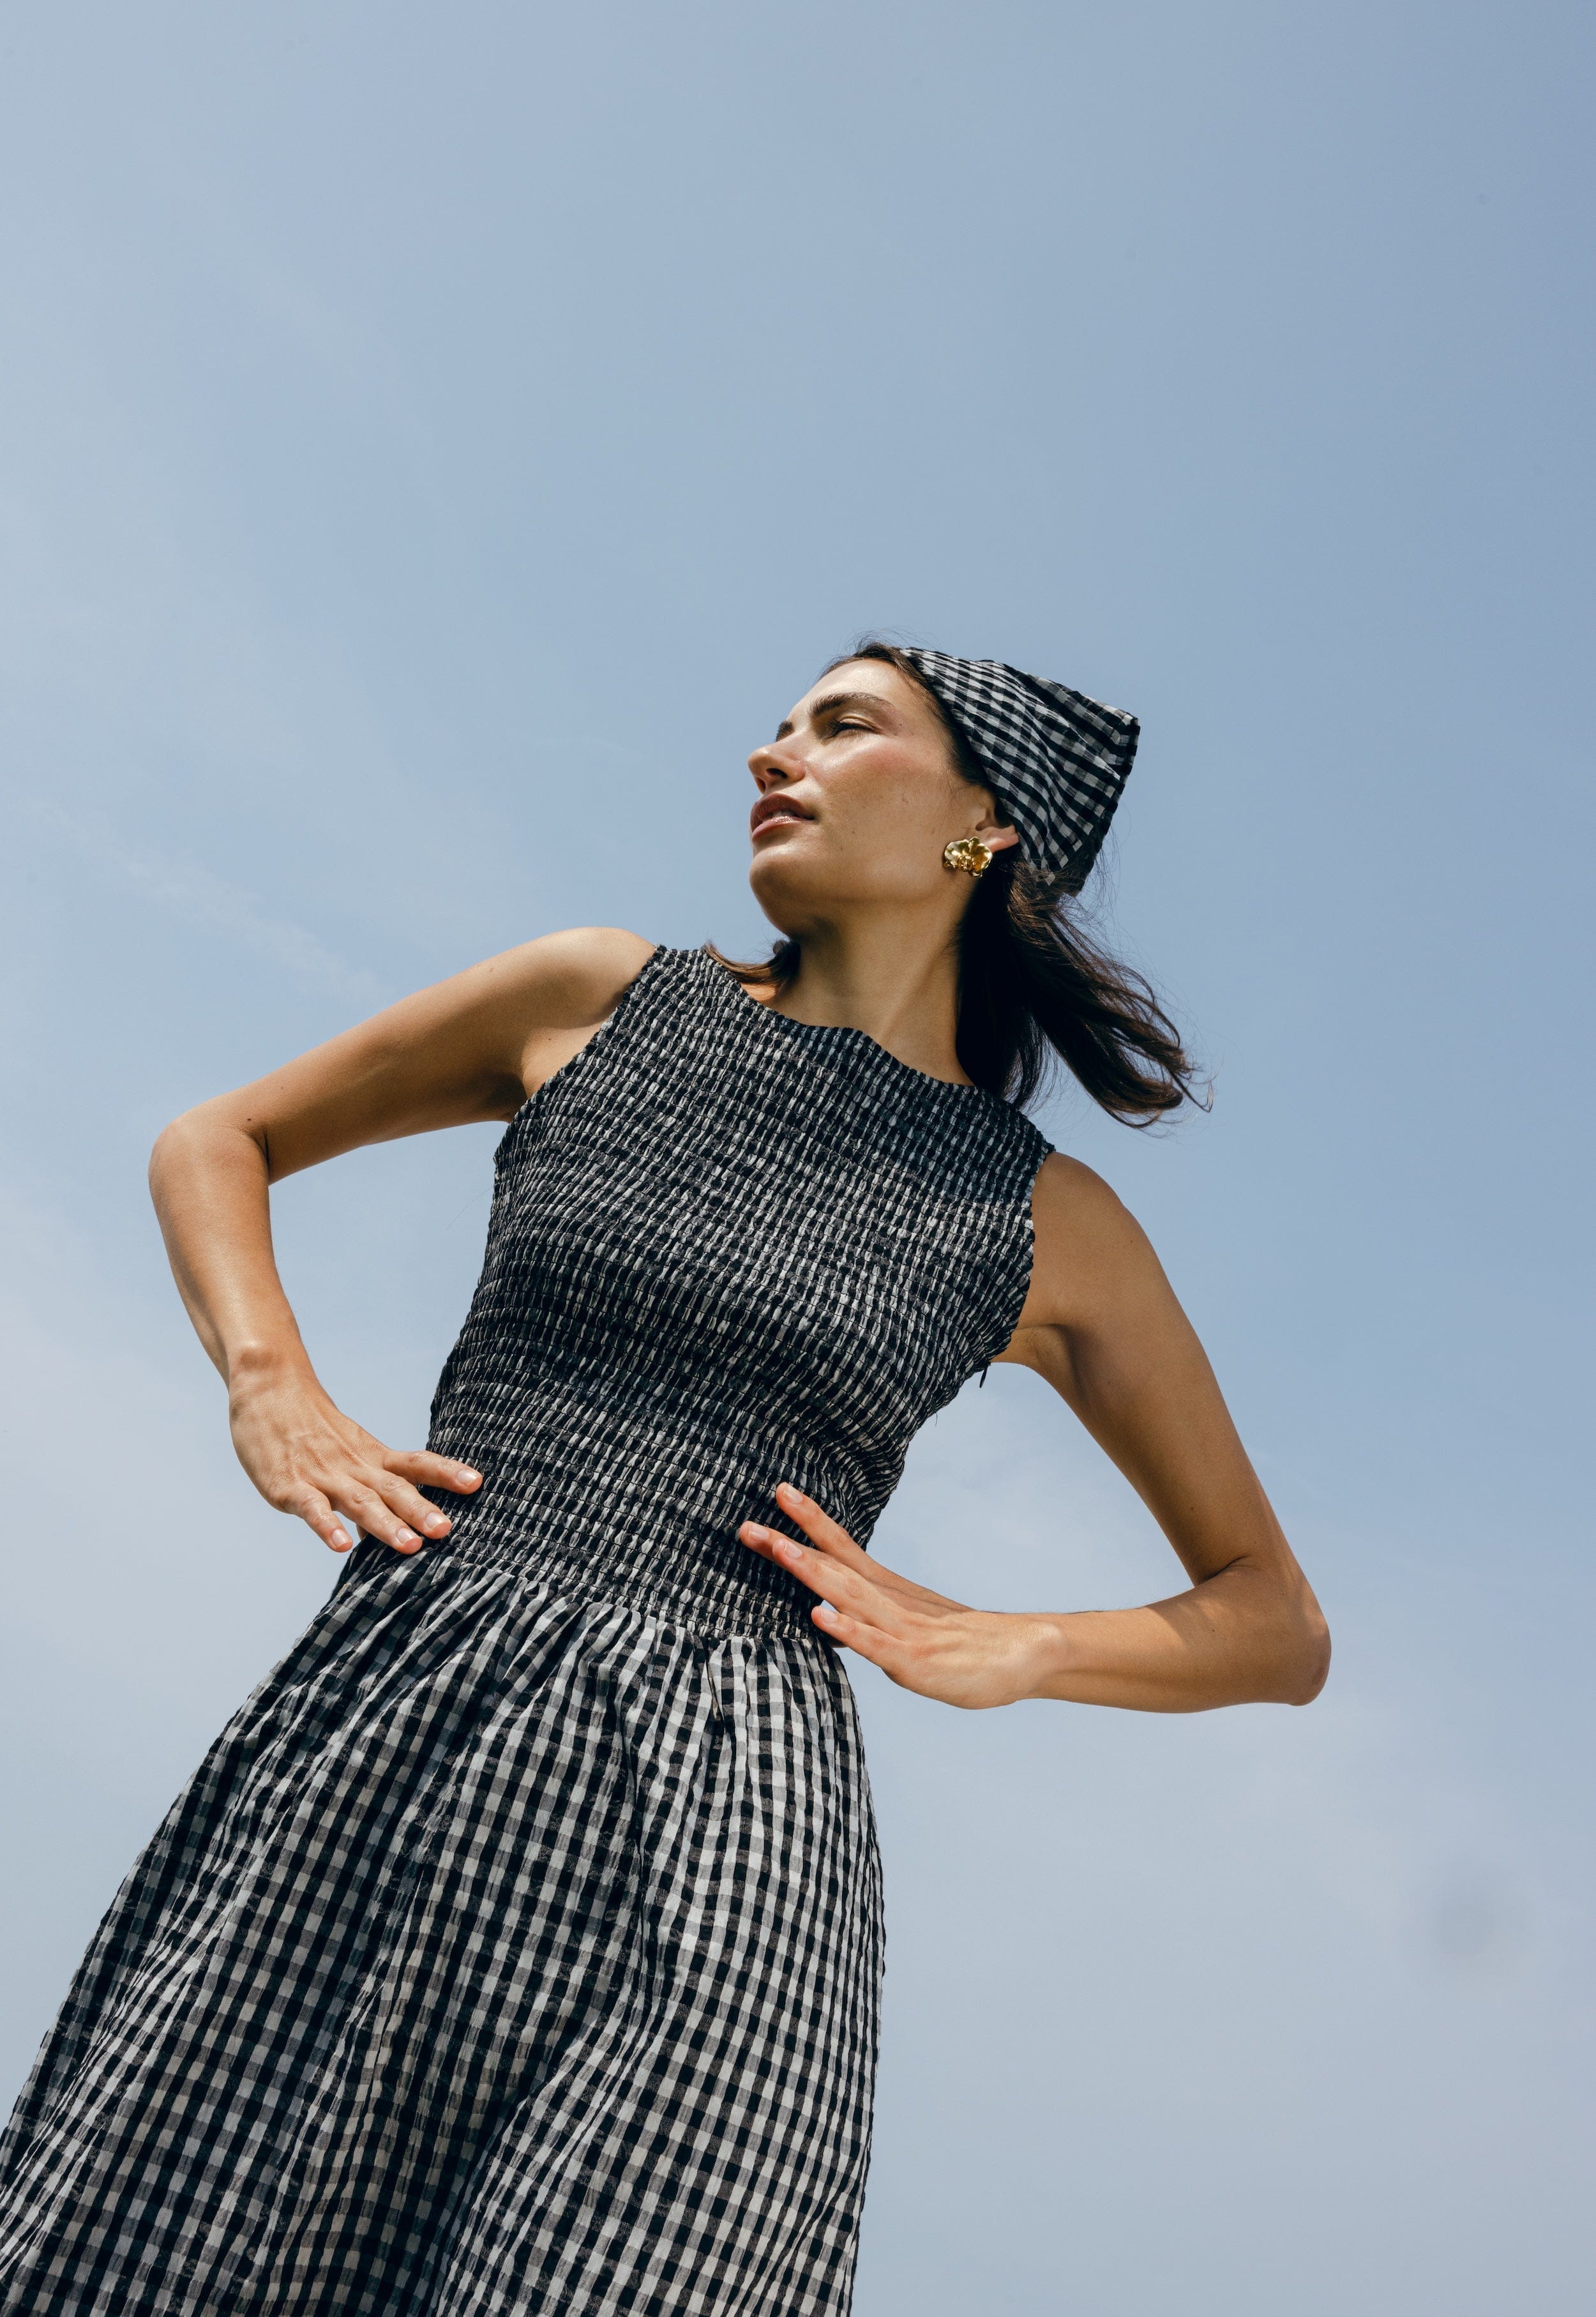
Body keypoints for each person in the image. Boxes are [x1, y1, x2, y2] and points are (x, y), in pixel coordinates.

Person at [0, 640, 1329, 2315]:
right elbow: (217, 1137)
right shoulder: (597, 992)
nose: (775, 753)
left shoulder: (1046, 1220)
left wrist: (1017, 1643)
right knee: (163, 2248)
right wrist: (273, 1384)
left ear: (980, 825)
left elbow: (1271, 1621)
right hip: (399, 1717)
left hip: (728, 1820)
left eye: (843, 728)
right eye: (780, 724)